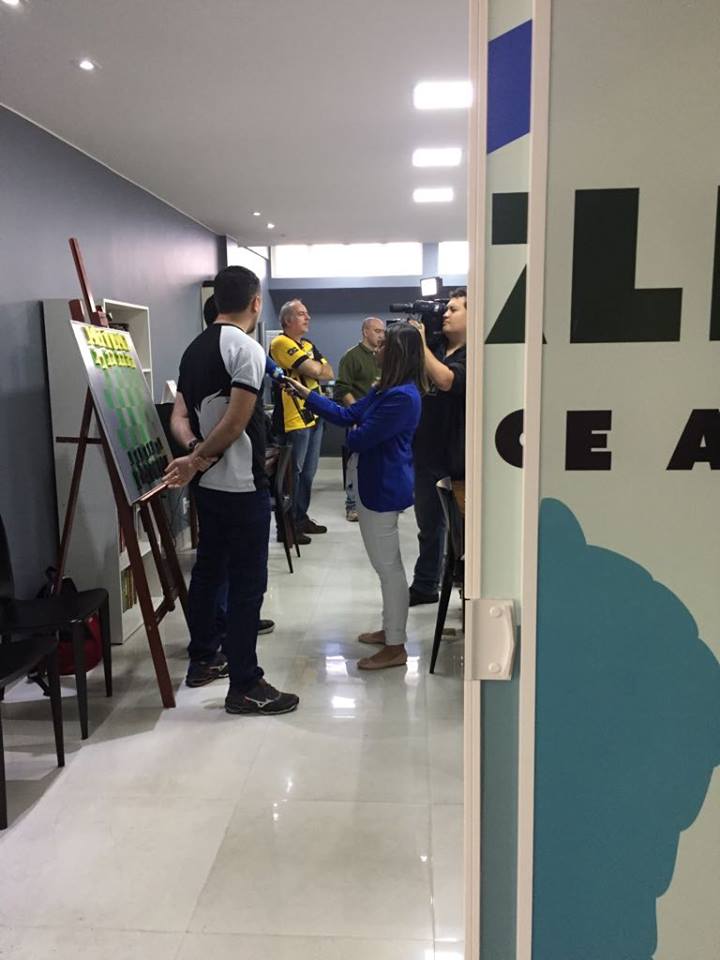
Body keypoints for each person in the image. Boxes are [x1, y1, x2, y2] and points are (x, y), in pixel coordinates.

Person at [164, 266, 299, 715]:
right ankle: (245, 683)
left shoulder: (194, 349)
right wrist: (199, 457)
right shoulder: (246, 348)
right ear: (256, 303)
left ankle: (204, 657)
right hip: (241, 487)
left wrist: (192, 453)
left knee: (208, 571)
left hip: (208, 488)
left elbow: (179, 417)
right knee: (246, 586)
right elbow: (237, 421)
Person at [286, 323, 425, 670]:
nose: (376, 348)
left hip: (382, 488)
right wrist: (306, 395)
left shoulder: (401, 397)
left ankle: (396, 646)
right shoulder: (386, 391)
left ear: (397, 353)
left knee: (389, 568)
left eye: (383, 344)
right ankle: (390, 630)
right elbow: (348, 416)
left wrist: (358, 429)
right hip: (370, 483)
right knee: (384, 566)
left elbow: (357, 438)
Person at [409, 289, 467, 606]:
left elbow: (447, 381)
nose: (445, 314)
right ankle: (425, 585)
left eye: (454, 309)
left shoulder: (474, 354)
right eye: (445, 309)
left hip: (458, 457)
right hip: (427, 451)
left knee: (461, 531)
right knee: (428, 526)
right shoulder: (437, 348)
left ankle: (463, 586)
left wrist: (421, 345)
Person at [270, 300, 334, 541]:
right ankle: (286, 527)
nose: (308, 318)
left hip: (313, 416)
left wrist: (313, 367)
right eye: (301, 314)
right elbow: (317, 371)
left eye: (307, 313)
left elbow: (328, 372)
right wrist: (314, 367)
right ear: (287, 320)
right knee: (292, 475)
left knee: (308, 474)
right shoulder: (280, 343)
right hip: (293, 420)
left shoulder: (307, 344)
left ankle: (300, 517)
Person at [334, 317, 385, 522]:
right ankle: (352, 505)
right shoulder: (352, 357)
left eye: (383, 331)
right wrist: (357, 413)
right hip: (361, 419)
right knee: (355, 464)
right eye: (377, 331)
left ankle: (378, 501)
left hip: (381, 419)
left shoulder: (384, 356)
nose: (381, 335)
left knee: (380, 462)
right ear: (365, 332)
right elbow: (341, 388)